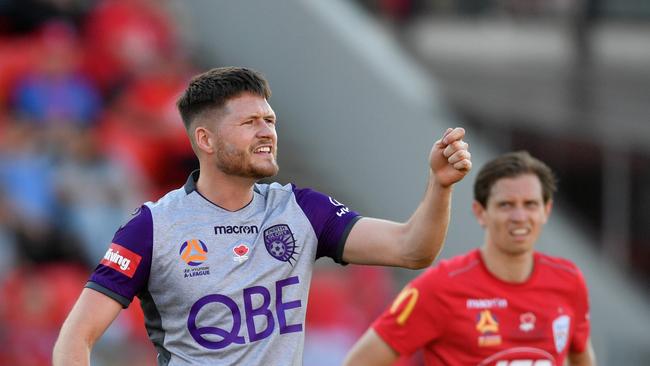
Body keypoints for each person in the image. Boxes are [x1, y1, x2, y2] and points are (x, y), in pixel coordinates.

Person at [52, 66, 472, 365]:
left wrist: (440, 185)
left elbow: (411, 249)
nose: (267, 131)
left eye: (269, 120)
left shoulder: (301, 209)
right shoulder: (153, 226)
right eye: (250, 122)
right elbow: (75, 337)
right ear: (206, 139)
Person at [344, 151, 596, 366]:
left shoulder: (568, 280)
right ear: (480, 212)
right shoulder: (440, 287)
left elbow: (582, 358)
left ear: (546, 210)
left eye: (530, 204)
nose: (519, 216)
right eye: (506, 205)